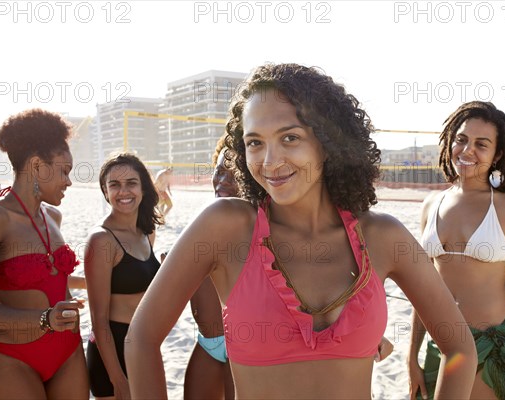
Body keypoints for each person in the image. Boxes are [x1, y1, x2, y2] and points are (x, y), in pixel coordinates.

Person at [125, 63, 477, 399]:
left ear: (327, 142)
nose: (270, 161)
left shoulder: (381, 236)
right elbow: (141, 337)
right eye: (255, 142)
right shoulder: (226, 228)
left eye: (290, 138)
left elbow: (459, 346)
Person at [408, 101, 505, 399]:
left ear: (498, 154)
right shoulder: (431, 204)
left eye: (482, 144)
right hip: (441, 346)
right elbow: (424, 291)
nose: (467, 150)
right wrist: (411, 357)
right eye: (461, 139)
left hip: (495, 348)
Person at [0, 109, 88, 399]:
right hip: (15, 357)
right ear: (37, 166)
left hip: (69, 353)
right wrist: (46, 318)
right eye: (64, 170)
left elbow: (52, 278)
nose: (68, 181)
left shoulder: (53, 217)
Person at [85, 153, 163, 399]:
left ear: (142, 187)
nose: (123, 191)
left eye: (131, 183)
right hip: (113, 354)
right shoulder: (102, 240)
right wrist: (117, 380)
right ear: (105, 191)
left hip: (145, 347)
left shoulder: (146, 233)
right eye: (114, 185)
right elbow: (98, 320)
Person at [183, 135, 236, 400]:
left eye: (234, 174)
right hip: (209, 341)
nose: (223, 181)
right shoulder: (202, 224)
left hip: (246, 344)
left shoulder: (260, 225)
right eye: (219, 172)